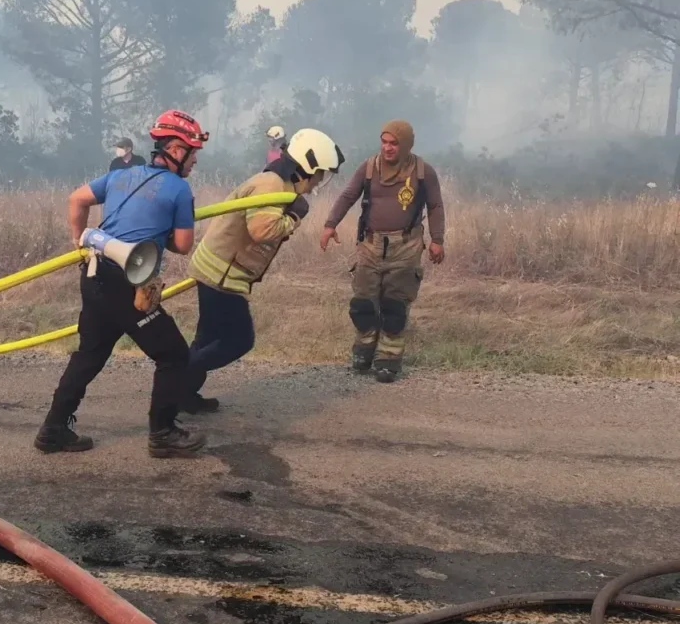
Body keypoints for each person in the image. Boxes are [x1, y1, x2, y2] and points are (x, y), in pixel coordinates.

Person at [34, 110, 209, 459]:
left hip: (95, 274)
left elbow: (76, 199)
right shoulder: (179, 189)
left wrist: (78, 240)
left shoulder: (121, 175)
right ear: (176, 150)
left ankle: (53, 430)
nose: (194, 162)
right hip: (127, 282)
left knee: (90, 354)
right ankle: (163, 433)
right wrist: (162, 232)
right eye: (192, 154)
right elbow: (183, 244)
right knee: (174, 354)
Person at [183, 129, 344, 413]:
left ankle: (182, 394)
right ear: (307, 166)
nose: (320, 181)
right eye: (320, 174)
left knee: (208, 338)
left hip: (217, 269)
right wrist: (293, 217)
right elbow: (263, 230)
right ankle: (175, 379)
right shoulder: (272, 186)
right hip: (223, 275)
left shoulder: (278, 182)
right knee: (239, 340)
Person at [320, 120, 446, 383]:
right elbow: (348, 196)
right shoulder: (368, 168)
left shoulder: (423, 172)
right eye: (384, 142)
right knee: (362, 304)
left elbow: (435, 205)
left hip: (406, 246)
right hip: (370, 245)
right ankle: (364, 351)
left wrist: (437, 240)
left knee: (394, 307)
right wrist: (330, 225)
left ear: (406, 145)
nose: (387, 148)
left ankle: (388, 360)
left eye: (394, 143)